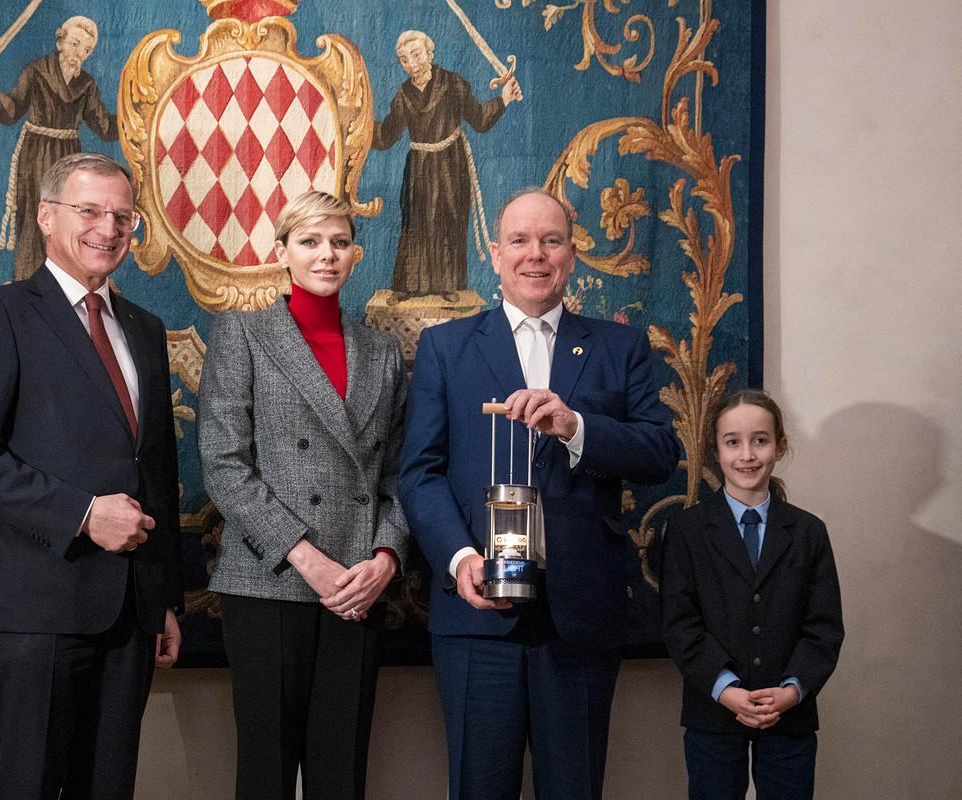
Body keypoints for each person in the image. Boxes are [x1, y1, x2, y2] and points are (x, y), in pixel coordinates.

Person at [398, 188, 679, 799]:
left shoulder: (618, 346)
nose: (536, 254)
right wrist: (459, 558)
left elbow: (661, 455)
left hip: (579, 616)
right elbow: (419, 473)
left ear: (572, 256)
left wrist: (576, 427)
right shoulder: (446, 348)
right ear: (494, 255)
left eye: (551, 240)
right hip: (477, 616)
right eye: (520, 241)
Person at [0, 152, 183, 800]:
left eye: (123, 216)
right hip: (37, 607)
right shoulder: (2, 313)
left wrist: (165, 599)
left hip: (131, 613)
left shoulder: (145, 329)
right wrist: (83, 514)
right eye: (90, 211)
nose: (109, 227)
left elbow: (156, 468)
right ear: (47, 217)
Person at [198, 191, 409, 800]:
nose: (326, 255)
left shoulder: (382, 350)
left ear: (356, 254)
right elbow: (225, 464)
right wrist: (309, 560)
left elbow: (397, 474)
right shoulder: (242, 333)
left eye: (339, 242)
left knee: (340, 775)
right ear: (282, 252)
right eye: (310, 241)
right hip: (271, 581)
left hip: (358, 586)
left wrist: (384, 560)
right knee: (265, 772)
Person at [661, 389, 844, 800]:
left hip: (789, 715)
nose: (747, 454)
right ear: (715, 449)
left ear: (779, 447)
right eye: (733, 442)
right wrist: (726, 689)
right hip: (713, 711)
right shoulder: (687, 531)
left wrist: (792, 691)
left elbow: (824, 628)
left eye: (760, 440)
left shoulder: (808, 532)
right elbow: (679, 623)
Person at [0, 16, 118, 281]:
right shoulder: (36, 71)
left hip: (69, 161)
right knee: (35, 227)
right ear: (60, 42)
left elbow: (105, 128)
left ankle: (67, 293)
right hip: (36, 156)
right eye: (74, 44)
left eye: (86, 49)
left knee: (71, 226)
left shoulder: (87, 85)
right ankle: (28, 290)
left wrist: (136, 114)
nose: (78, 53)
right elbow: (11, 110)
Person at [372, 30, 521, 302]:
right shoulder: (403, 95)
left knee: (448, 220)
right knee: (414, 222)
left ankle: (448, 285)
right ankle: (407, 286)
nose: (411, 63)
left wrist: (504, 99)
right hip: (418, 166)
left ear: (430, 54)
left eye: (416, 55)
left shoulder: (452, 84)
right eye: (404, 59)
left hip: (450, 165)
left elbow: (479, 120)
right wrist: (358, 124)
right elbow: (385, 135)